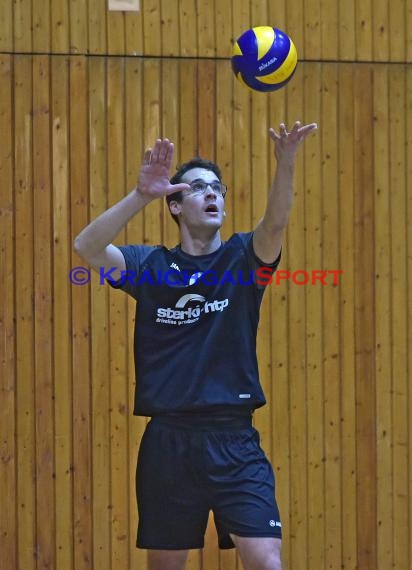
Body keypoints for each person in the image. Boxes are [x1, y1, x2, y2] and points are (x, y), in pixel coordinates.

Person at [74, 121, 317, 570]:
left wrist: (286, 161)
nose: (213, 195)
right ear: (174, 205)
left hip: (234, 439)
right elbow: (87, 247)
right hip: (169, 442)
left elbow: (277, 221)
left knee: (267, 560)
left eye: (218, 188)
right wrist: (140, 195)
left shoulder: (244, 260)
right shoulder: (149, 265)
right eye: (199, 188)